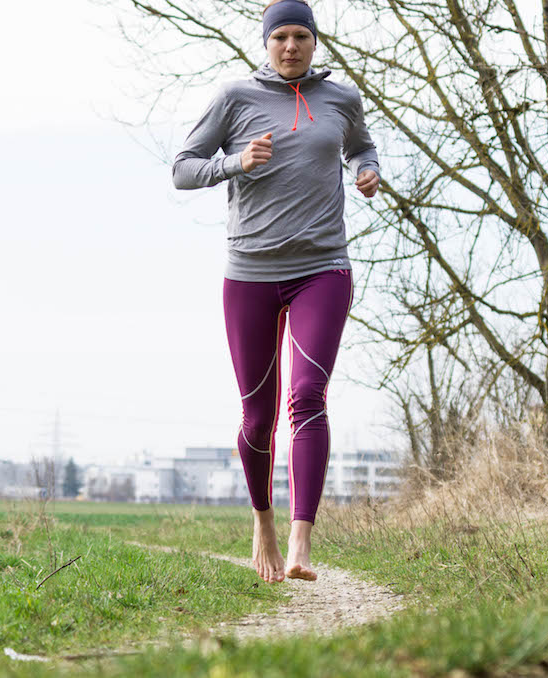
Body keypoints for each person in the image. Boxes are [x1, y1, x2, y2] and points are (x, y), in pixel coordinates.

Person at [172, 0, 380, 583]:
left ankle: (301, 542)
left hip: (323, 267)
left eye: (301, 36)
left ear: (315, 42)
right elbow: (183, 167)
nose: (291, 46)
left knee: (308, 395)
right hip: (251, 273)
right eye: (280, 37)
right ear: (266, 44)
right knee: (257, 415)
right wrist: (235, 162)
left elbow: (361, 146)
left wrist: (368, 170)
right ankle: (263, 520)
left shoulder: (341, 98)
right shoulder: (235, 98)